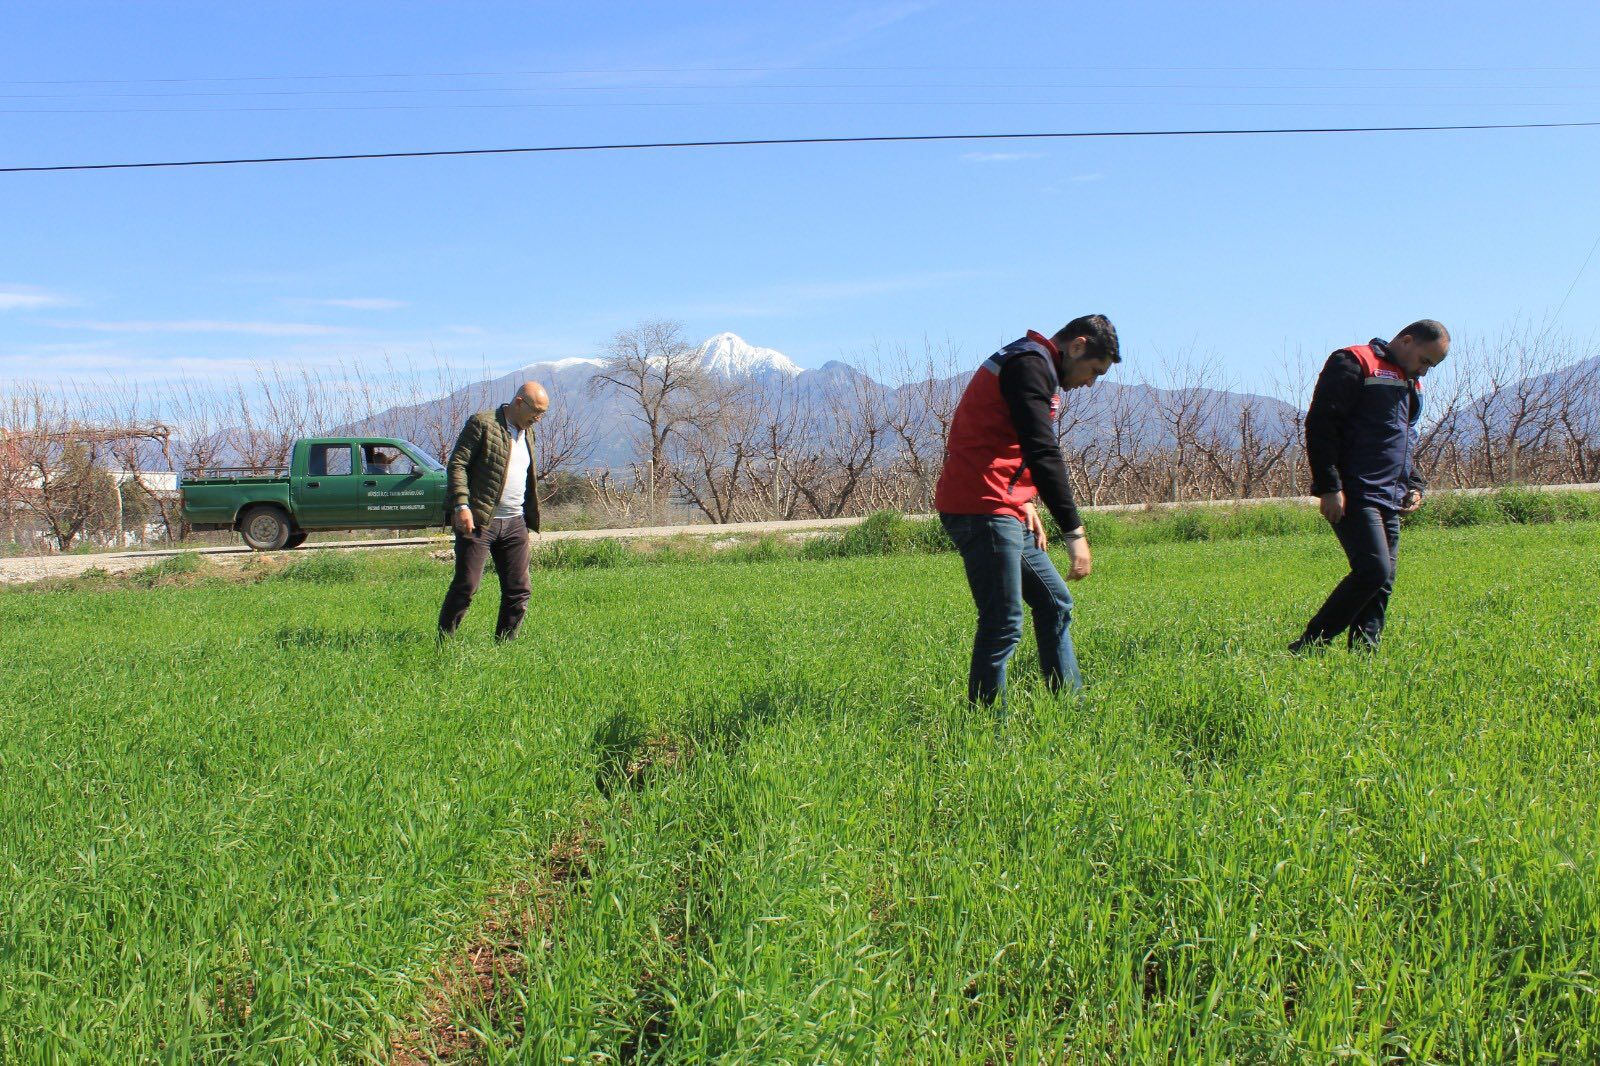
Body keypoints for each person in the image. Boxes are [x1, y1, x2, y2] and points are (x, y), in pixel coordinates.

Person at [934, 315, 1121, 706]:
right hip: (982, 507)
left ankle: (1070, 707)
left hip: (1002, 502)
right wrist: (1075, 532)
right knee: (1003, 623)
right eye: (1094, 371)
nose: (1090, 382)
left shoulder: (1031, 362)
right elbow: (1041, 449)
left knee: (1055, 602)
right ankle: (987, 732)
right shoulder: (1029, 364)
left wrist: (1025, 498)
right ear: (1077, 346)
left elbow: (1005, 438)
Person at [1290, 320, 1450, 653]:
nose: (1424, 371)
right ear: (1406, 341)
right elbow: (1322, 424)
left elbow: (1403, 439)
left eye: (1431, 367)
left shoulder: (1410, 382)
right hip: (1355, 491)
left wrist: (1414, 484)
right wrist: (1330, 487)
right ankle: (1310, 645)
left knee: (1383, 580)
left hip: (1391, 494)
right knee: (1373, 570)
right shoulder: (1353, 362)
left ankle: (1365, 655)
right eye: (1425, 361)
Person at [438, 381, 548, 641]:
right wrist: (461, 505)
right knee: (467, 586)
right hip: (479, 521)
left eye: (543, 413)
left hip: (514, 522)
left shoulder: (527, 431)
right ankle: (444, 641)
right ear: (519, 402)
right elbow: (457, 464)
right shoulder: (482, 423)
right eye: (536, 411)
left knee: (519, 590)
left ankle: (505, 646)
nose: (539, 418)